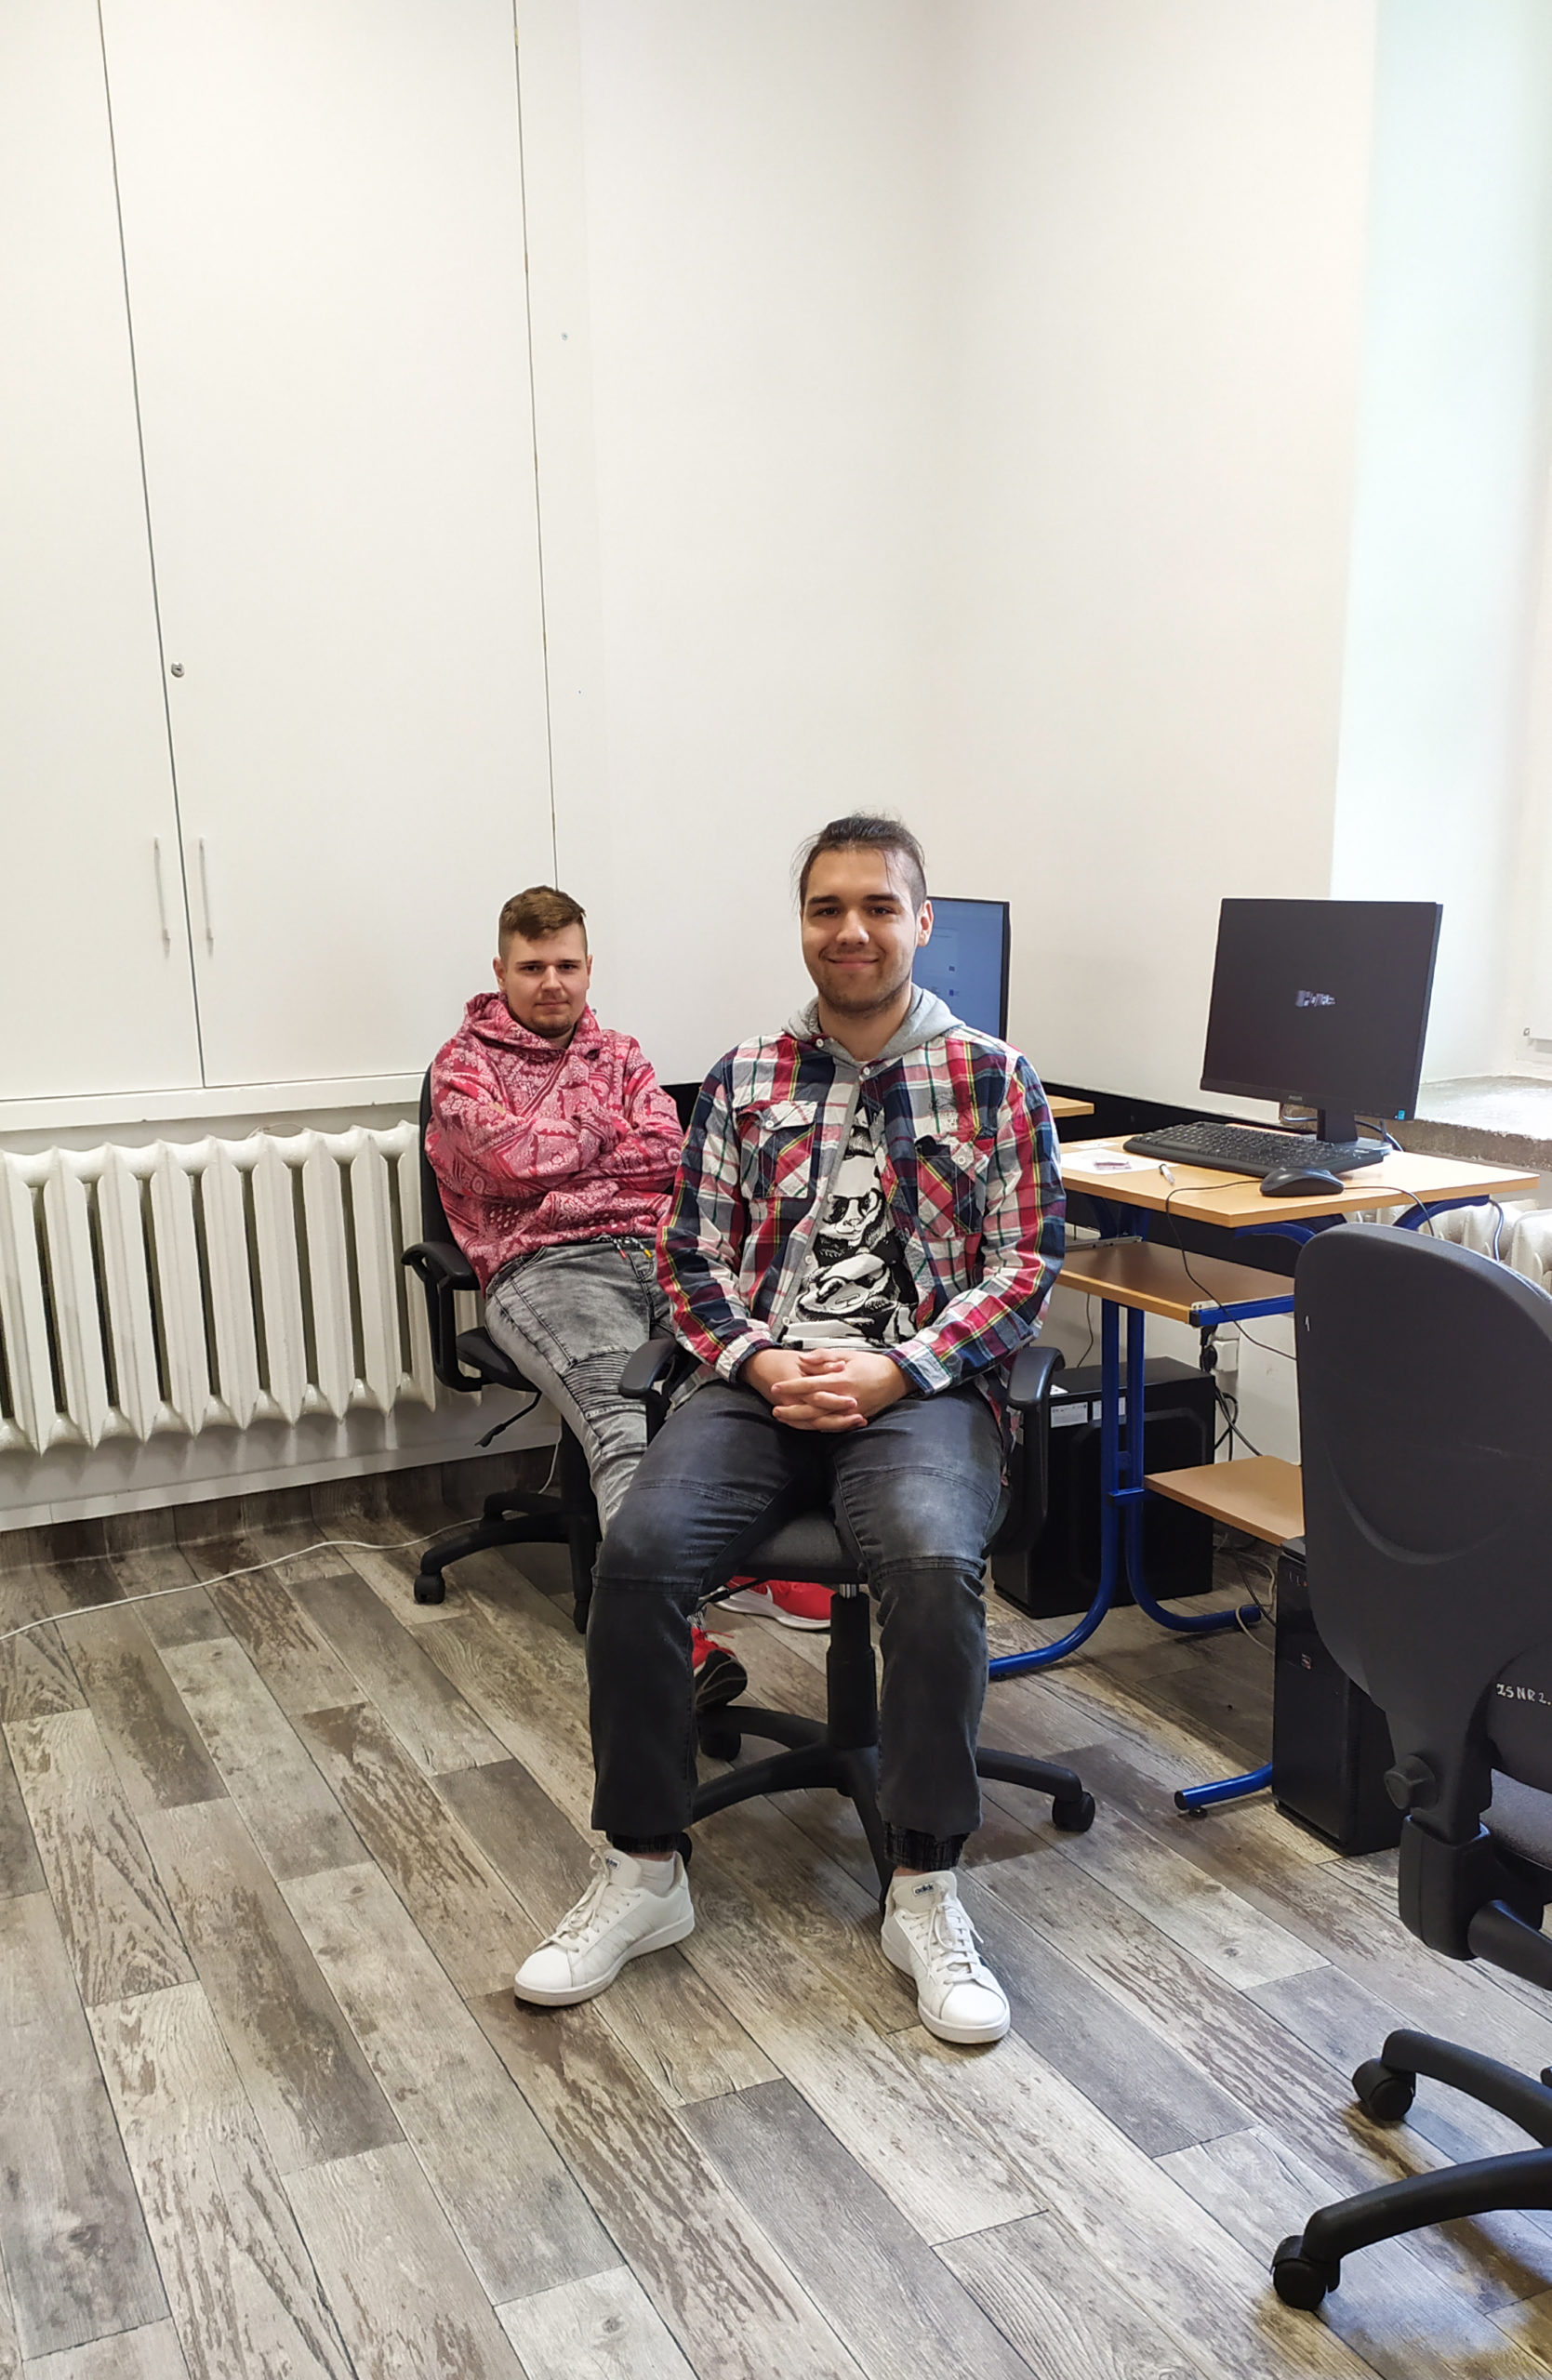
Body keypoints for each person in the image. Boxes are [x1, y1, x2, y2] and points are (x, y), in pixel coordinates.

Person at [513, 817, 1066, 2044]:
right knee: (639, 1554)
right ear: (803, 925)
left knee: (928, 1557)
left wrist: (898, 1369)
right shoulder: (743, 1077)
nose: (851, 930)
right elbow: (688, 1259)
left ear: (922, 922)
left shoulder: (994, 1079)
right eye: (826, 908)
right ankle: (643, 1867)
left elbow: (1024, 1268)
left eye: (878, 906)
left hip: (917, 1391)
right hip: (756, 1384)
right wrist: (761, 1361)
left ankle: (924, 1882)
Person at [427, 883, 746, 1706]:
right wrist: (604, 1135)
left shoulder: (622, 1054)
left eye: (566, 966)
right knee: (622, 1415)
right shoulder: (462, 1067)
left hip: (660, 1251)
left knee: (742, 1391)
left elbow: (667, 1152)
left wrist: (562, 1161)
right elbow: (510, 1161)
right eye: (532, 967)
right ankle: (667, 1643)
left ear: (589, 967)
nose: (551, 983)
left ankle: (762, 1573)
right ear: (500, 971)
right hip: (545, 1266)